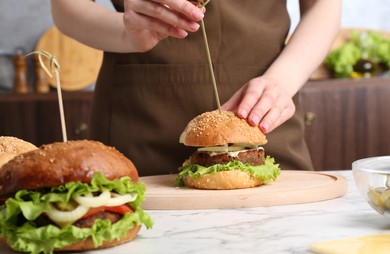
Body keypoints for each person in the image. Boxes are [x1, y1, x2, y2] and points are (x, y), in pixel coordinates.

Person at [50, 0, 341, 176]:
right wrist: (126, 33)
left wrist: (282, 80)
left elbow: (323, 4)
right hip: (138, 117)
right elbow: (66, 6)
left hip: (264, 115)